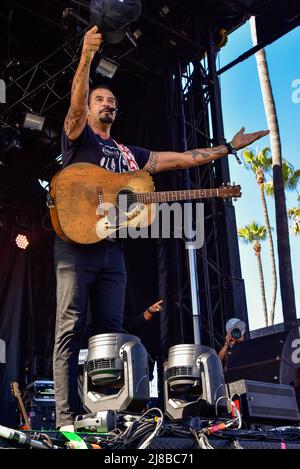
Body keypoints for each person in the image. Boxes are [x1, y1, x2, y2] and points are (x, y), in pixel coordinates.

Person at [53, 25, 269, 431]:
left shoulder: (130, 154)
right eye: (100, 99)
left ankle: (104, 413)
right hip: (75, 246)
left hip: (112, 250)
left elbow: (181, 159)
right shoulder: (80, 138)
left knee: (109, 334)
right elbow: (74, 107)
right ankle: (66, 418)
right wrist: (85, 58)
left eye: (112, 101)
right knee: (70, 328)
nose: (107, 104)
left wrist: (226, 148)